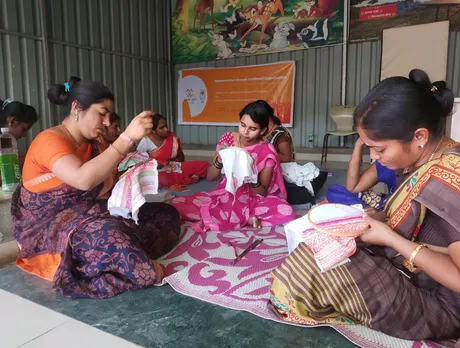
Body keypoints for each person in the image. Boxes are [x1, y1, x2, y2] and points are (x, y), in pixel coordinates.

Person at [269, 69, 460, 344]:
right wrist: (377, 218)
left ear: (419, 136)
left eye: (380, 149)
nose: (374, 157)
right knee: (322, 244)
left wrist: (389, 237)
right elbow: (412, 216)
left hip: (439, 302)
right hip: (411, 267)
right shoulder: (422, 158)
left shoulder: (452, 178)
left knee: (320, 264)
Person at [12, 76, 181, 299]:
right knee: (107, 234)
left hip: (93, 214)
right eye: (102, 113)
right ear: (76, 108)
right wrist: (127, 138)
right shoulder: (49, 140)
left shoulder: (95, 142)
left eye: (109, 116)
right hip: (52, 230)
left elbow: (105, 188)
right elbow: (83, 180)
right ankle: (122, 256)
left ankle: (117, 255)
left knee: (165, 213)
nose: (107, 122)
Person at [170, 100, 296, 232]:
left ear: (263, 130)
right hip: (225, 194)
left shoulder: (267, 151)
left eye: (253, 128)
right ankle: (246, 218)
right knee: (176, 204)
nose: (245, 132)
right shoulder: (227, 139)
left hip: (253, 199)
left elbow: (262, 192)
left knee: (287, 211)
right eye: (242, 125)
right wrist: (220, 159)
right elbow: (211, 176)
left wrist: (252, 176)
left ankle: (235, 216)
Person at [265, 101, 328, 205]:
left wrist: (265, 154)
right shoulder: (264, 132)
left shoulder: (279, 134)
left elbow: (286, 158)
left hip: (283, 173)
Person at [136, 113, 209, 187]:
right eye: (161, 128)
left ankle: (182, 177)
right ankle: (188, 178)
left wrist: (176, 165)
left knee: (204, 165)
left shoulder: (171, 136)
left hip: (175, 167)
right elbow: (138, 161)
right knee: (160, 179)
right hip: (158, 171)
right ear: (153, 130)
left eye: (166, 126)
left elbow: (181, 157)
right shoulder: (146, 141)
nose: (166, 129)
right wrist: (160, 165)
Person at [326, 137, 397, 211]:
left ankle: (363, 211)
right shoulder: (384, 165)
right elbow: (353, 187)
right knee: (334, 192)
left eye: (380, 149)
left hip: (394, 210)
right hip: (383, 205)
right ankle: (364, 211)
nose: (372, 156)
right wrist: (359, 144)